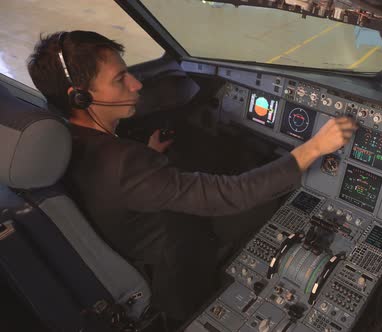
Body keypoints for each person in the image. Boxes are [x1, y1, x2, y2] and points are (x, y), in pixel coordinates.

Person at [27, 30, 358, 322]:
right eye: (120, 79)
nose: (136, 83)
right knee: (268, 208)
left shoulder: (63, 141)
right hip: (177, 269)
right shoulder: (122, 164)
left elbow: (116, 186)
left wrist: (148, 159)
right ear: (80, 97)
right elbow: (232, 193)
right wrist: (314, 147)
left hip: (130, 229)